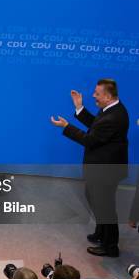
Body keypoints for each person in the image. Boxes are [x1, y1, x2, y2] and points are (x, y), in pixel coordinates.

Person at [51, 79, 129, 257]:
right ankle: (101, 233)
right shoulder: (112, 109)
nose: (94, 95)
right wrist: (79, 107)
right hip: (102, 169)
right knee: (96, 200)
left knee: (106, 207)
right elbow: (96, 126)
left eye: (97, 93)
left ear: (108, 96)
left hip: (106, 171)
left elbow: (89, 139)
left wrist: (66, 127)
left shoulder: (114, 116)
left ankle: (110, 247)